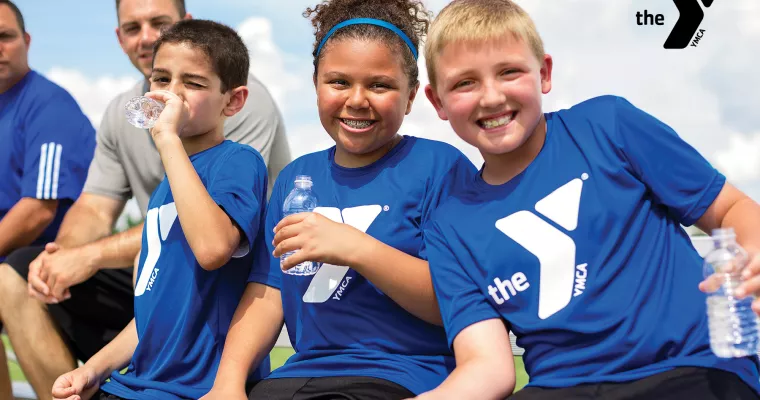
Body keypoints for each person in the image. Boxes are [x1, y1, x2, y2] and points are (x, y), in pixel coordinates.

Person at [416, 0, 760, 399]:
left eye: (509, 72)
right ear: (437, 101)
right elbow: (486, 366)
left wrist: (753, 250)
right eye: (465, 83)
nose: (491, 97)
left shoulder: (608, 126)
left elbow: (731, 208)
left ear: (543, 73)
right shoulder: (448, 227)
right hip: (561, 389)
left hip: (689, 368)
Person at [0, 0, 290, 398]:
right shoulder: (163, 193)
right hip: (138, 382)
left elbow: (213, 248)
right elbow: (150, 311)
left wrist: (167, 138)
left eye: (194, 83)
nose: (172, 94)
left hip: (195, 387)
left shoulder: (238, 161)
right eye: (162, 80)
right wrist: (94, 370)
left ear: (234, 101)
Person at [203, 0, 476, 399]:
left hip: (404, 376)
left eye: (379, 85)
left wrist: (357, 248)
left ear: (412, 94)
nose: (357, 99)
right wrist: (227, 385)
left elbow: (459, 304)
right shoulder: (294, 178)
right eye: (339, 82)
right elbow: (268, 293)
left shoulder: (441, 167)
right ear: (316, 83)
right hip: (298, 377)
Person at [0, 0, 96, 397]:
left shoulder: (49, 105)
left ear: (26, 40)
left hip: (50, 265)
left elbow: (38, 210)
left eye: (4, 37)